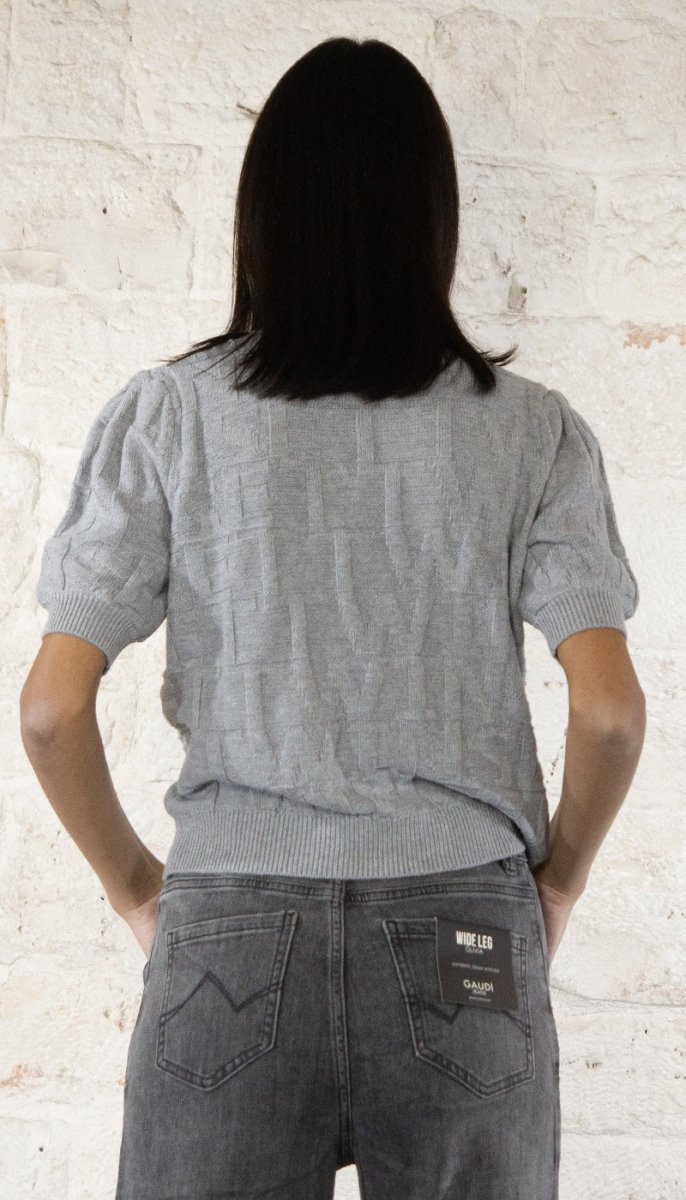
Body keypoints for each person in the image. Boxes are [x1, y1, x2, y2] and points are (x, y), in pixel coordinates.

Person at [20, 36, 645, 1200]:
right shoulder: (532, 433)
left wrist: (140, 890)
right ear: (433, 221)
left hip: (228, 926)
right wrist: (551, 888)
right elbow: (608, 715)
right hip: (465, 924)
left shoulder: (168, 417)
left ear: (260, 217)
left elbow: (52, 711)